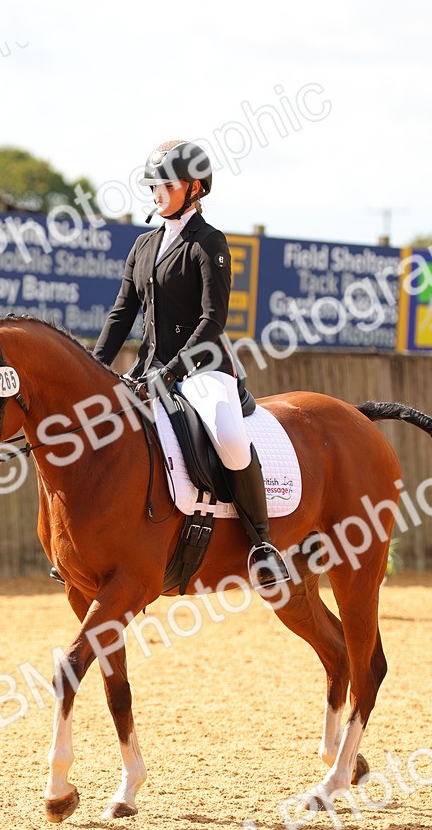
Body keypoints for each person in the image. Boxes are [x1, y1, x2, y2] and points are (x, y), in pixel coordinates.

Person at [93, 139, 289, 589]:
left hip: (203, 369)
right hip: (148, 368)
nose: (156, 191)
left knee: (230, 437)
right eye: (153, 184)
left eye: (166, 183)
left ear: (194, 187)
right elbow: (122, 314)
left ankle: (262, 543)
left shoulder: (209, 243)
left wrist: (175, 371)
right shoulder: (143, 246)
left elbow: (212, 320)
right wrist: (96, 371)